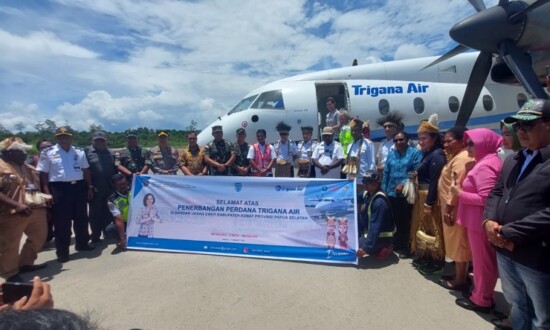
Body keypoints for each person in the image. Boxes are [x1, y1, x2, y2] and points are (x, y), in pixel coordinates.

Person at [484, 99, 550, 329]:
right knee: (517, 306)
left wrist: (508, 231)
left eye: (528, 125)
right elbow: (497, 191)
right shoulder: (513, 158)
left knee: (543, 318)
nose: (520, 131)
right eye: (518, 125)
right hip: (506, 250)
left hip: (536, 256)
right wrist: (489, 221)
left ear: (548, 124)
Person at [451, 128, 503, 313]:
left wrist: (460, 194)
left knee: (483, 262)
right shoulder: (486, 161)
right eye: (467, 143)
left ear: (485, 143)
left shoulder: (486, 165)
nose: (468, 147)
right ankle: (480, 292)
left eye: (473, 143)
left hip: (479, 222)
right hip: (477, 222)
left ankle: (481, 300)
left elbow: (487, 198)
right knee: (482, 261)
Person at [37, 127, 95, 263]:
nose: (63, 139)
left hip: (79, 187)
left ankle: (82, 244)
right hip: (59, 188)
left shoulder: (79, 152)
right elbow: (43, 173)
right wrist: (46, 192)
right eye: (60, 136)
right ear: (56, 138)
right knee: (62, 222)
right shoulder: (48, 152)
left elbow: (86, 171)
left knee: (81, 218)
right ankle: (62, 252)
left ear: (71, 137)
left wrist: (90, 187)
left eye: (66, 136)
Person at [0, 137, 48, 282]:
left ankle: (25, 263)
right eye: (20, 151)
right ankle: (10, 273)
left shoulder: (28, 167)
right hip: (12, 213)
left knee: (39, 237)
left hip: (35, 209)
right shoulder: (2, 168)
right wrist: (16, 205)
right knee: (10, 244)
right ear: (8, 153)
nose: (24, 154)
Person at [436, 127, 474, 291]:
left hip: (455, 208)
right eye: (444, 141)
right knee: (456, 242)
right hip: (450, 206)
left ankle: (461, 279)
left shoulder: (462, 158)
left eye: (449, 141)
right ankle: (461, 274)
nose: (445, 145)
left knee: (459, 243)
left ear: (462, 140)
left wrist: (449, 209)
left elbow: (457, 185)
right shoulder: (457, 156)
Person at [410, 114, 446, 275]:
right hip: (422, 194)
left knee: (433, 229)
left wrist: (428, 203)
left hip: (429, 197)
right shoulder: (427, 153)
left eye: (424, 138)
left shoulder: (437, 154)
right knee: (424, 227)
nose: (421, 141)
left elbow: (435, 181)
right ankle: (426, 255)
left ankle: (436, 259)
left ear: (433, 138)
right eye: (419, 138)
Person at [382, 131, 422, 258]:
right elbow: (386, 172)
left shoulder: (414, 153)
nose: (398, 142)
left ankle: (409, 247)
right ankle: (399, 242)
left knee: (407, 220)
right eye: (396, 140)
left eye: (401, 139)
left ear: (407, 140)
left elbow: (417, 171)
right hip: (392, 194)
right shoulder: (391, 154)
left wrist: (404, 183)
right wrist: (384, 190)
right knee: (397, 220)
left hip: (407, 193)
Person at [85, 131, 116, 243]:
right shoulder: (86, 152)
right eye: (97, 140)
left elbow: (115, 168)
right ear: (92, 140)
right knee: (95, 214)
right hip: (95, 188)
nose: (99, 142)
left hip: (110, 188)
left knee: (109, 212)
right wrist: (89, 186)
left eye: (102, 140)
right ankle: (95, 236)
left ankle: (108, 234)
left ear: (105, 141)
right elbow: (84, 170)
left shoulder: (111, 153)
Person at [356, 171, 395, 260]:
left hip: (382, 237)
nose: (365, 184)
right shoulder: (367, 192)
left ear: (376, 183)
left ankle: (385, 247)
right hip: (370, 232)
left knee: (354, 246)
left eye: (368, 182)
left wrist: (365, 248)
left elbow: (375, 227)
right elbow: (355, 197)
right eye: (363, 181)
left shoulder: (379, 202)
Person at [342, 118, 376, 184]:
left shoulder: (368, 144)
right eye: (352, 131)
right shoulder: (350, 145)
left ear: (361, 131)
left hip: (363, 180)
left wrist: (369, 180)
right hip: (350, 179)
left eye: (356, 130)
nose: (353, 133)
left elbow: (372, 163)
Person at [104, 174, 130, 250]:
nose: (123, 186)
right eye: (119, 184)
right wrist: (122, 238)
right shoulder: (111, 200)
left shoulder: (134, 190)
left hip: (138, 221)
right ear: (114, 185)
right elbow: (118, 219)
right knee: (110, 229)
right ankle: (123, 240)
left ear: (127, 182)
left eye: (124, 183)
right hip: (125, 223)